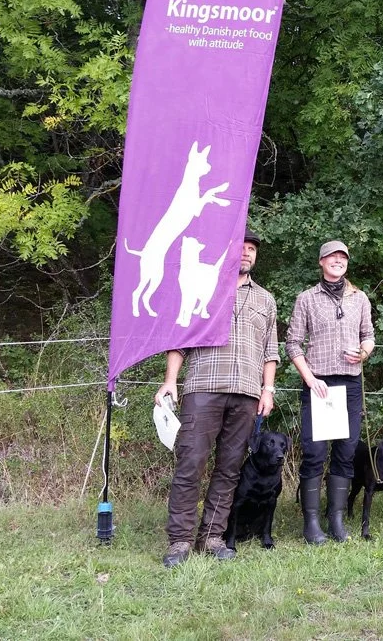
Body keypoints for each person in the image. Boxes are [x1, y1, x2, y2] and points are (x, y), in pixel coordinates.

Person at [155, 228, 280, 568]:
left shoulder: (266, 300)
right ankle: (180, 541)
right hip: (202, 387)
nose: (247, 252)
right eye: (242, 246)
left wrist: (267, 389)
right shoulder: (203, 286)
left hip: (247, 394)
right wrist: (170, 380)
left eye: (252, 248)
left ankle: (212, 537)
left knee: (229, 469)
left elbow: (270, 351)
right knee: (190, 464)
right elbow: (179, 338)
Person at [286, 240, 375, 544]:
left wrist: (363, 353)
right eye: (332, 257)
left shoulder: (359, 298)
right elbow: (293, 343)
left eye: (343, 257)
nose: (338, 261)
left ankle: (336, 518)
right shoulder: (306, 299)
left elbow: (369, 336)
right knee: (314, 452)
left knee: (346, 451)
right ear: (321, 262)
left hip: (350, 383)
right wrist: (309, 378)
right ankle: (311, 522)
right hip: (319, 384)